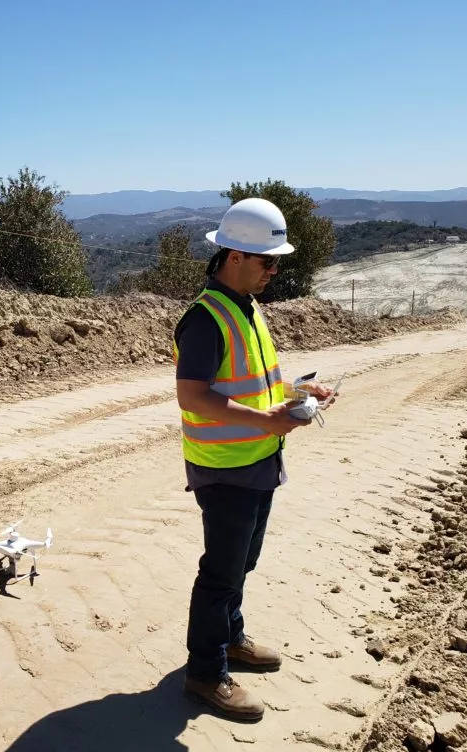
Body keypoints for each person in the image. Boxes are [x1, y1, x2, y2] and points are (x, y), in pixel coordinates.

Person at [172, 198, 336, 722]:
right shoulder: (204, 318)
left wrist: (298, 390)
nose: (274, 270)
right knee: (220, 571)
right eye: (268, 261)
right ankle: (205, 671)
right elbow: (193, 396)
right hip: (226, 467)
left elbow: (253, 380)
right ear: (235, 255)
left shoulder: (245, 304)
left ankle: (231, 638)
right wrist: (267, 421)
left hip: (259, 458)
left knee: (242, 562)